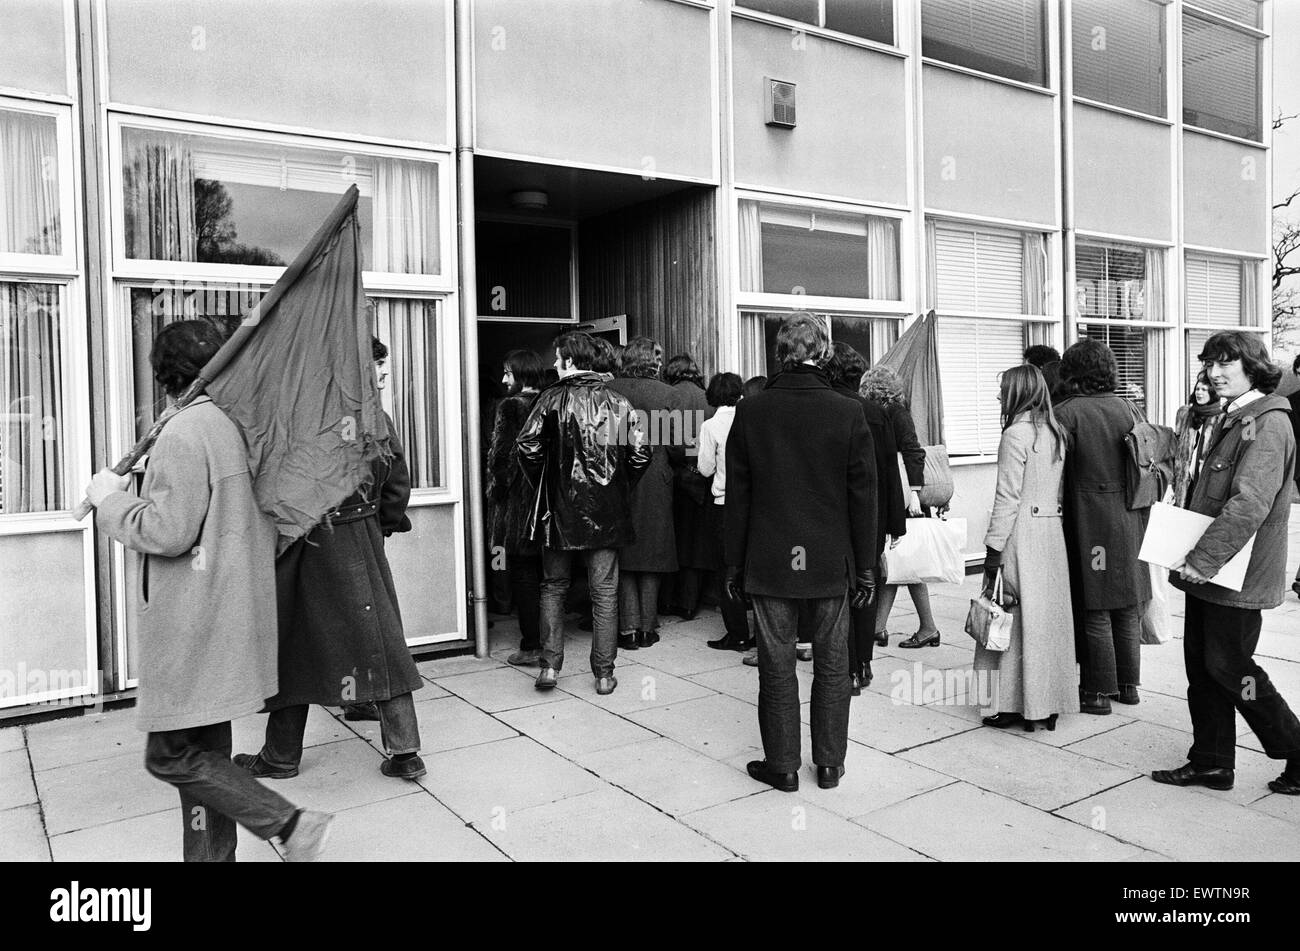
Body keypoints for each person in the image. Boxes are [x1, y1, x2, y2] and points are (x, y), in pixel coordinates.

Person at [86, 320, 330, 862]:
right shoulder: (233, 424)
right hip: (226, 613)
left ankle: (287, 823)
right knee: (205, 755)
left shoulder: (182, 433)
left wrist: (109, 501)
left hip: (192, 624)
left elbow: (167, 531)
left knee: (171, 756)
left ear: (162, 375)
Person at [726, 314, 877, 793]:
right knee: (834, 662)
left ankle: (784, 765)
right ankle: (830, 763)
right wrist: (867, 565)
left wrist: (733, 563)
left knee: (777, 662)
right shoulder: (848, 410)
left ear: (780, 354)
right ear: (824, 352)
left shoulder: (751, 410)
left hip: (771, 556)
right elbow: (863, 496)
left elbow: (739, 496)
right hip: (831, 557)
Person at [1152, 332, 1300, 796]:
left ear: (1252, 367)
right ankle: (1212, 762)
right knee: (1203, 667)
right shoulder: (1233, 415)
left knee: (1232, 668)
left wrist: (1203, 559)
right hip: (1211, 573)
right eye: (1210, 364)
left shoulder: (1267, 422)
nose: (1215, 373)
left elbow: (1249, 503)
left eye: (1226, 364)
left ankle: (1297, 749)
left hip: (1232, 574)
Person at [516, 331, 651, 695]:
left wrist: (547, 484)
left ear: (570, 360)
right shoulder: (619, 402)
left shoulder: (550, 399)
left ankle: (548, 667)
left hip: (558, 512)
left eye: (558, 357)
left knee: (553, 587)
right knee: (604, 592)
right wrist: (616, 489)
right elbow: (641, 454)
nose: (554, 364)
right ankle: (604, 674)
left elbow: (527, 447)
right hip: (606, 513)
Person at [976, 365, 1078, 732]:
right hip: (1052, 534)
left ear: (1018, 393)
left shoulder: (1015, 435)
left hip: (1020, 533)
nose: (1000, 396)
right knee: (1046, 622)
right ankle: (1047, 703)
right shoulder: (1056, 433)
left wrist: (992, 550)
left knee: (1012, 619)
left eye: (1004, 390)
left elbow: (1007, 497)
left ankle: (1012, 704)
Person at [1054, 339, 1150, 714]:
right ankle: (1128, 685)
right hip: (1131, 517)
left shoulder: (1065, 413)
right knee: (1126, 603)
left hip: (1090, 522)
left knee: (1094, 605)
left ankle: (1096, 690)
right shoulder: (1131, 408)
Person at [826, 343, 905, 693]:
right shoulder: (875, 411)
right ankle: (863, 663)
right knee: (866, 587)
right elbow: (889, 467)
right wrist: (894, 523)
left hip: (834, 514)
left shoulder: (828, 409)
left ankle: (842, 661)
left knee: (838, 590)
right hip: (870, 514)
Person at [608, 337, 686, 650]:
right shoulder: (669, 393)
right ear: (652, 361)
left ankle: (627, 628)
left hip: (618, 477)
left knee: (624, 551)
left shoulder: (611, 390)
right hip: (656, 477)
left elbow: (603, 438)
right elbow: (680, 446)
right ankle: (647, 626)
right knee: (653, 550)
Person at [861, 366, 937, 650]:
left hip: (904, 497)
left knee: (898, 563)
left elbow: (913, 451)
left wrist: (915, 494)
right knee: (902, 565)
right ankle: (924, 627)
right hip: (899, 494)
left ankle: (881, 627)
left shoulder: (895, 413)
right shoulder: (885, 412)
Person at [487, 349, 547, 666]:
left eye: (508, 374)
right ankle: (551, 642)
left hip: (520, 509)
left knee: (524, 575)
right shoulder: (552, 402)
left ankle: (532, 644)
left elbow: (502, 460)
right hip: (550, 506)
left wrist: (495, 495)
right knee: (550, 577)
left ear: (520, 375)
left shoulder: (511, 406)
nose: (503, 380)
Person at [696, 371, 750, 652]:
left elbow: (705, 468)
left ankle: (738, 634)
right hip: (752, 505)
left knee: (726, 573)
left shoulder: (711, 426)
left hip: (724, 505)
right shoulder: (752, 419)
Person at [662, 354, 713, 621]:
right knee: (695, 543)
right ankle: (690, 602)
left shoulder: (671, 396)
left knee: (674, 539)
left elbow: (673, 444)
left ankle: (669, 601)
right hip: (703, 477)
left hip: (676, 476)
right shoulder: (707, 398)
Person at [1171, 374, 1222, 510]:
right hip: (1185, 479)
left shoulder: (1221, 417)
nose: (1199, 393)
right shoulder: (1185, 414)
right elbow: (1176, 445)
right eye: (1197, 389)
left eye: (1204, 390)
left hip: (1205, 480)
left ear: (1213, 393)